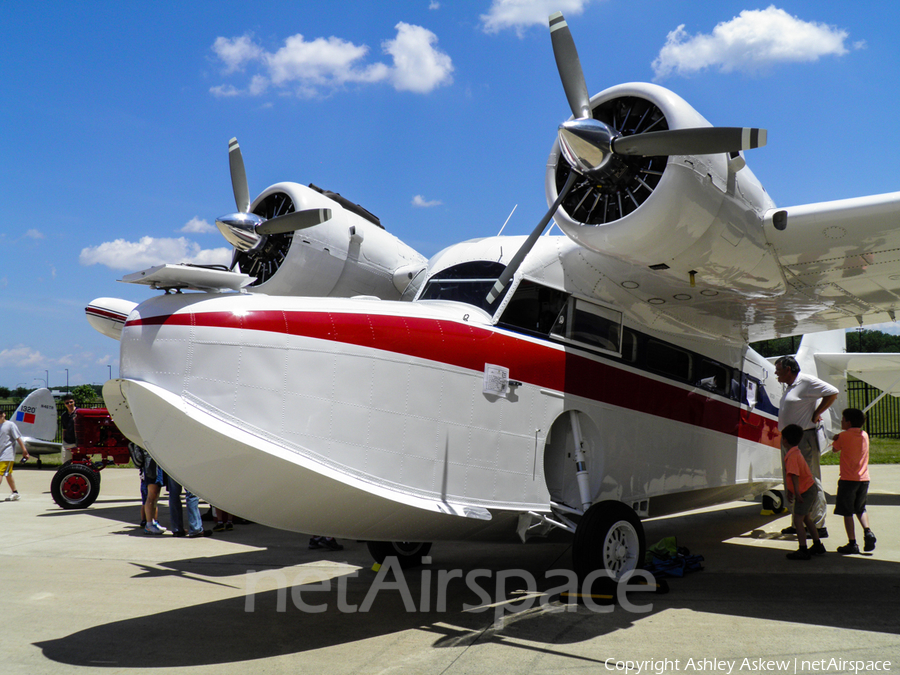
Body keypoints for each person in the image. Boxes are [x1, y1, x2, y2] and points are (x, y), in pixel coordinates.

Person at [774, 355, 838, 538]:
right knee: (791, 480)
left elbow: (832, 392)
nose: (775, 373)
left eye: (778, 369)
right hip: (789, 440)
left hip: (804, 438)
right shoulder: (789, 386)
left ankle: (818, 525)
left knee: (810, 480)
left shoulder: (807, 382)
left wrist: (818, 412)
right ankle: (798, 522)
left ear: (788, 369)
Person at [831, 408, 876, 555]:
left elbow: (835, 449)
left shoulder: (843, 436)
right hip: (863, 479)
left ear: (849, 422)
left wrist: (836, 439)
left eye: (843, 419)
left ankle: (852, 543)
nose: (841, 422)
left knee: (847, 511)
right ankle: (868, 531)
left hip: (848, 479)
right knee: (860, 508)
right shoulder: (864, 435)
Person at [781, 424, 826, 560]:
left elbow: (794, 475)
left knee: (798, 519)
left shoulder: (792, 456)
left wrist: (796, 492)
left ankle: (802, 549)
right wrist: (791, 491)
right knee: (806, 518)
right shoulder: (795, 452)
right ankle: (817, 545)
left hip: (804, 491)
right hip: (809, 489)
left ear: (784, 440)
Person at [0, 410, 30, 500]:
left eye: (1, 413)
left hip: (7, 454)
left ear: (4, 414)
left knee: (0, 473)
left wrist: (24, 451)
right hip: (0, 454)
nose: (0, 415)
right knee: (8, 474)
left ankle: (15, 493)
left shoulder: (10, 425)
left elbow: (18, 438)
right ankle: (15, 493)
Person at [60, 395, 77, 464]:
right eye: (67, 403)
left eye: (71, 402)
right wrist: (63, 440)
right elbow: (64, 429)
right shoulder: (64, 416)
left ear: (74, 402)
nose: (69, 404)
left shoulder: (78, 412)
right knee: (65, 461)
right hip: (67, 442)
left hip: (76, 442)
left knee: (77, 461)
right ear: (65, 404)